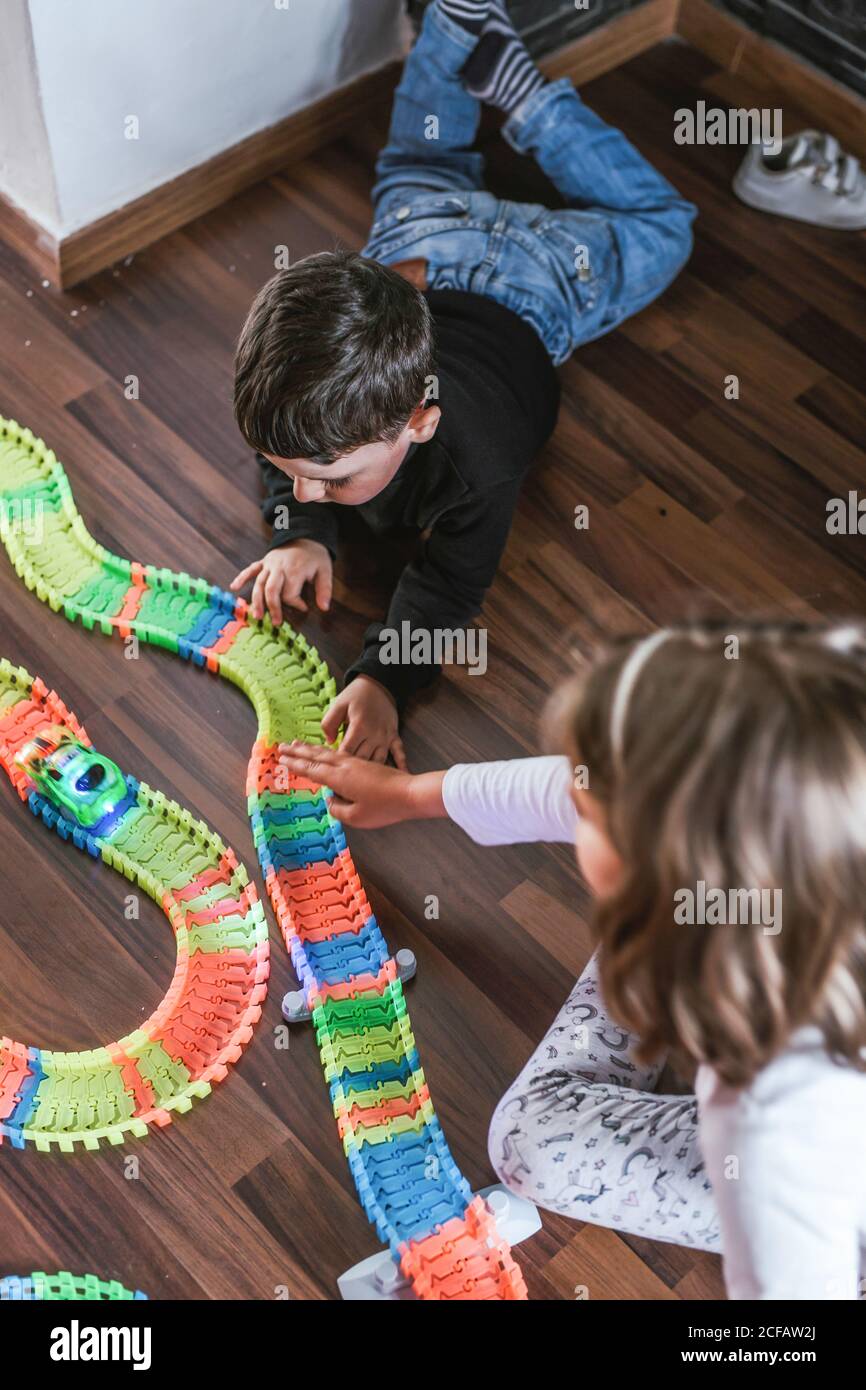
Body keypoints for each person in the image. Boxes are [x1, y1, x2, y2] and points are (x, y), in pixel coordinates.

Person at [279, 619, 866, 1299]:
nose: (579, 804)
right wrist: (413, 795)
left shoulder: (780, 1104)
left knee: (533, 1143)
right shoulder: (812, 754)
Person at [232, 0, 695, 765]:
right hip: (416, 240)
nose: (305, 490)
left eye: (329, 481)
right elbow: (286, 458)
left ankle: (516, 86)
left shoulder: (478, 463)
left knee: (665, 220)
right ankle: (458, 30)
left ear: (419, 420)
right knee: (418, 161)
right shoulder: (300, 407)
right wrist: (301, 532)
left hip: (541, 275)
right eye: (291, 474)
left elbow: (449, 585)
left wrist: (385, 678)